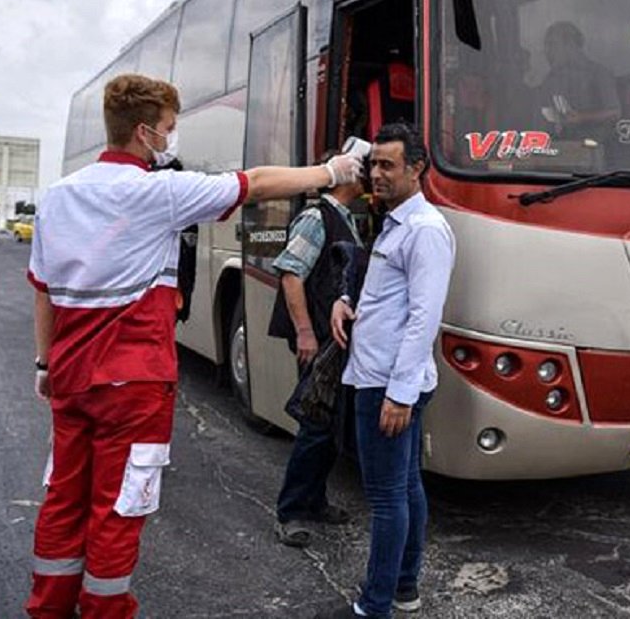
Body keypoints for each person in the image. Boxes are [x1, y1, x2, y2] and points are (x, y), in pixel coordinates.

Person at [25, 74, 362, 619]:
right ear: (143, 132)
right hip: (131, 386)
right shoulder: (159, 193)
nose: (171, 138)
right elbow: (255, 182)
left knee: (64, 498)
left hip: (70, 376)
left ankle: (47, 609)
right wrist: (331, 171)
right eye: (169, 129)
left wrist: (45, 364)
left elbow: (44, 292)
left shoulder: (58, 196)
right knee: (117, 510)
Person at [320, 123, 456, 619]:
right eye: (372, 164)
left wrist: (399, 394)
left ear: (416, 169)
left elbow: (424, 317)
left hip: (387, 383)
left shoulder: (424, 231)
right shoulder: (396, 222)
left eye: (387, 166)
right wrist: (345, 300)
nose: (375, 174)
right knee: (405, 487)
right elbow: (384, 295)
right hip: (379, 375)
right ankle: (402, 589)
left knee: (385, 497)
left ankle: (374, 606)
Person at [267, 151, 366, 548]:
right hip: (319, 338)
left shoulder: (345, 217)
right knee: (315, 425)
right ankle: (290, 511)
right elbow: (292, 275)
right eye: (364, 169)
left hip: (333, 337)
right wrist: (305, 332)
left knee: (328, 423)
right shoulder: (315, 217)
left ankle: (315, 500)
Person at [539, 21, 621, 141]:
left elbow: (615, 112)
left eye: (552, 45)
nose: (547, 51)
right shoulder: (551, 79)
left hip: (596, 150)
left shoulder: (598, 73)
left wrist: (582, 117)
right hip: (559, 148)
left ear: (571, 45)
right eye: (546, 46)